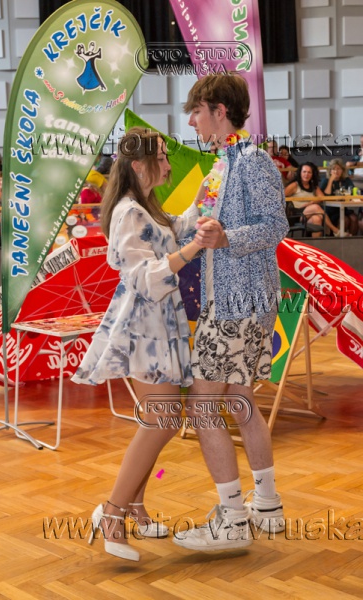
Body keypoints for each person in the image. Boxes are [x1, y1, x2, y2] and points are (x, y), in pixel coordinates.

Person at [71, 127, 204, 561]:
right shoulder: (128, 212)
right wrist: (193, 248)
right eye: (161, 158)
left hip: (161, 325)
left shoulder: (147, 206)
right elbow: (145, 279)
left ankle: (134, 506)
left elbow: (177, 227)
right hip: (143, 328)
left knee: (158, 419)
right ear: (137, 165)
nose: (167, 165)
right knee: (162, 421)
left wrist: (205, 196)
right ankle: (112, 513)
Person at [173, 73, 289, 552]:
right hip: (235, 300)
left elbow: (276, 225)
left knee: (203, 406)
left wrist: (228, 238)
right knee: (240, 400)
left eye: (196, 112)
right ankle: (267, 505)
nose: (192, 122)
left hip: (239, 302)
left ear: (220, 111)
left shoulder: (254, 160)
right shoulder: (221, 165)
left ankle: (233, 519)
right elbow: (191, 227)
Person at [285, 162, 340, 237]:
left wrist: (310, 203)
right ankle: (334, 230)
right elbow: (281, 196)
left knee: (317, 219)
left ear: (312, 174)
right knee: (316, 207)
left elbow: (322, 197)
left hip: (308, 214)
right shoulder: (294, 185)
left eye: (309, 172)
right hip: (297, 214)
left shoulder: (313, 186)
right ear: (300, 173)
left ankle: (316, 243)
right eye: (304, 172)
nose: (306, 174)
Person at [320, 158, 358, 236]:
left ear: (342, 170)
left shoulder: (346, 180)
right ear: (330, 171)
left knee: (354, 218)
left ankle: (351, 239)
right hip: (330, 210)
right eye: (333, 169)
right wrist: (331, 180)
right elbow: (326, 195)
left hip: (343, 208)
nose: (336, 171)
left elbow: (352, 192)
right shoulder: (326, 180)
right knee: (345, 220)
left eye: (338, 169)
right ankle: (339, 239)